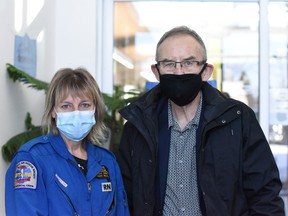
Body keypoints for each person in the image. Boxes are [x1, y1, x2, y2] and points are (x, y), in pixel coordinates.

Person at [116, 26, 285, 215]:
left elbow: (265, 196)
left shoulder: (238, 120)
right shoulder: (138, 126)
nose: (179, 72)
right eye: (169, 64)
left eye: (189, 63)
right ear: (156, 72)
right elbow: (124, 197)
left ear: (206, 71)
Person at [5, 67, 129, 215]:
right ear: (53, 111)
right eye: (66, 106)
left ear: (95, 109)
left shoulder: (107, 162)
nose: (76, 113)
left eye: (84, 105)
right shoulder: (32, 159)